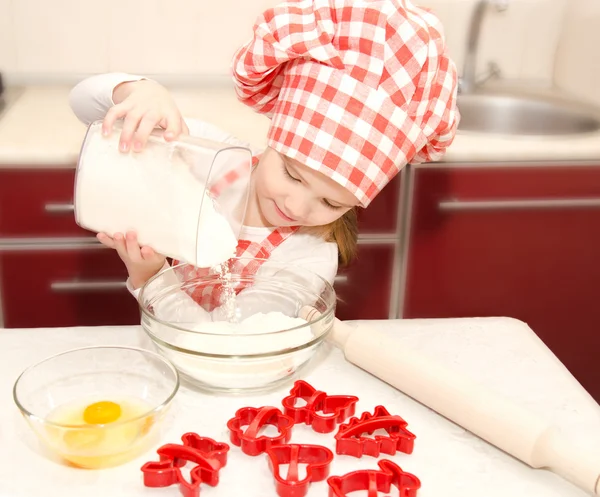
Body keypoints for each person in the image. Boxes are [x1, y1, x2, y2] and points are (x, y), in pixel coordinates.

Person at [69, 0, 459, 314]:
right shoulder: (215, 158)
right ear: (273, 140)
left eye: (331, 202)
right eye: (293, 175)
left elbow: (224, 344)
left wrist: (150, 275)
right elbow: (84, 102)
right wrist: (140, 93)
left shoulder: (309, 258)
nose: (296, 205)